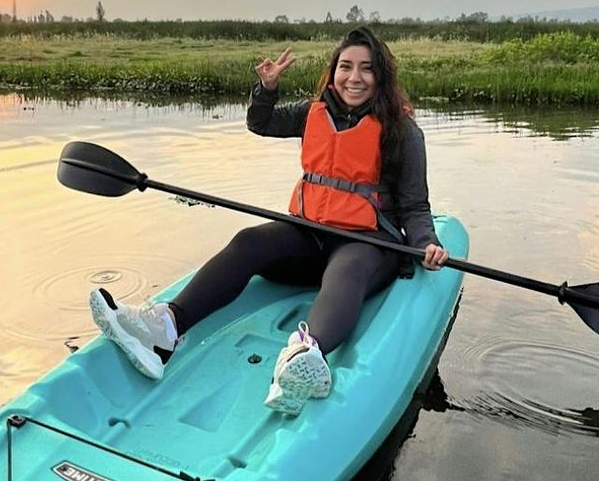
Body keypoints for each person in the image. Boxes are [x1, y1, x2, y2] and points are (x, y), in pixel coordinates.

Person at [90, 26, 448, 416]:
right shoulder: (314, 113)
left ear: (381, 76)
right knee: (249, 241)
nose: (354, 77)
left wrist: (426, 242)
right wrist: (267, 89)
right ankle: (165, 330)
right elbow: (261, 123)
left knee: (346, 269)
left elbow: (414, 205)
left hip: (368, 247)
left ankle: (303, 355)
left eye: (366, 68)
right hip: (312, 235)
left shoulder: (402, 131)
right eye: (346, 67)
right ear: (333, 72)